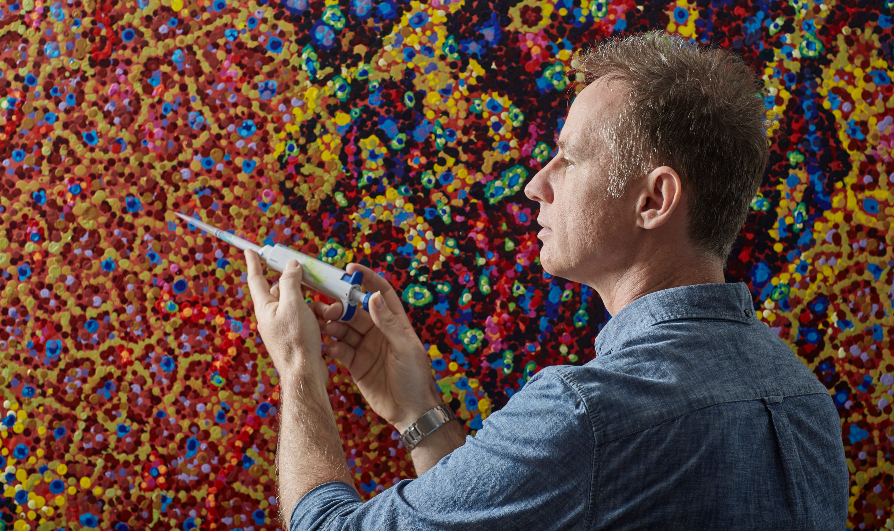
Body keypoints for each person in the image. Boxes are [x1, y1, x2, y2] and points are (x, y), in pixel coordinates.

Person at [243, 31, 849, 530]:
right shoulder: (803, 399)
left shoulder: (588, 414)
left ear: (654, 199)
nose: (536, 184)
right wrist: (418, 410)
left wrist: (299, 371)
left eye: (570, 157)